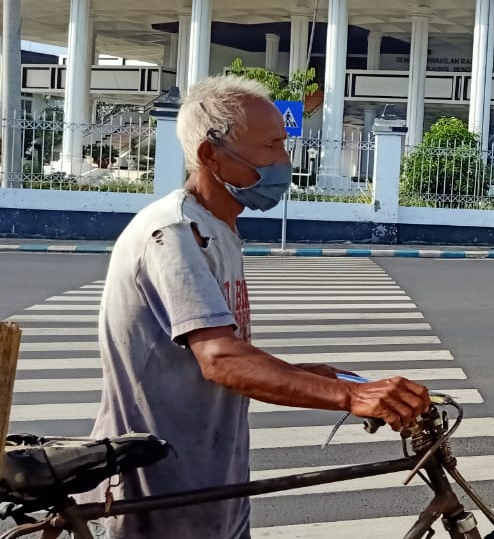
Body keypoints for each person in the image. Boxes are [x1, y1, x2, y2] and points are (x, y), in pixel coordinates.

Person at [83, 76, 434, 539]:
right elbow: (220, 359)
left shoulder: (218, 230)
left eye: (284, 146)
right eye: (270, 147)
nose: (284, 163)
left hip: (212, 484)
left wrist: (309, 376)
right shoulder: (173, 234)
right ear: (211, 156)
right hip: (159, 494)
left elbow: (214, 354)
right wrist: (352, 396)